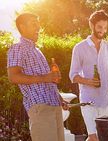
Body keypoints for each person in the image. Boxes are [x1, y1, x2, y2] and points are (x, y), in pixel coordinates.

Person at [7, 13, 68, 141]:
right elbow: (13, 77)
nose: (38, 27)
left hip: (54, 106)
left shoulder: (37, 51)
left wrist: (60, 98)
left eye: (38, 23)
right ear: (22, 27)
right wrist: (45, 77)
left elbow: (48, 80)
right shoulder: (17, 49)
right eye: (33, 24)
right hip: (40, 108)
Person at [69, 10, 108, 141]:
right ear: (91, 25)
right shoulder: (79, 48)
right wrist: (87, 81)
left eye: (105, 27)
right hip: (88, 101)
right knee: (94, 137)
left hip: (106, 101)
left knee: (102, 138)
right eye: (99, 27)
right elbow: (73, 75)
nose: (102, 30)